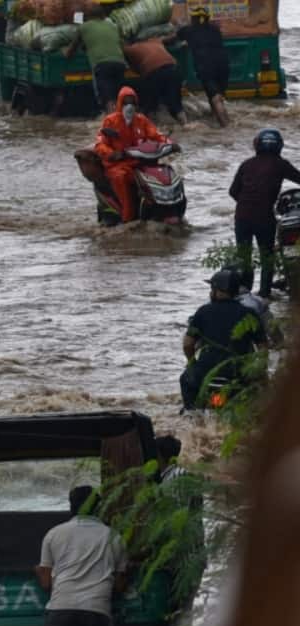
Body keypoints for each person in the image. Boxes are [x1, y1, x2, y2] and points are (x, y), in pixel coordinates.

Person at [35, 485, 127, 626]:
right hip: (97, 610)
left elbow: (46, 584)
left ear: (71, 506)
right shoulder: (114, 537)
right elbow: (119, 586)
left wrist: (39, 571)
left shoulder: (54, 534)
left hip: (61, 608)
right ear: (99, 507)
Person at [180, 269, 268, 410]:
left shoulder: (203, 311)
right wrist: (261, 373)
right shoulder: (249, 314)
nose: (210, 293)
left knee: (185, 379)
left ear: (217, 290)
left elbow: (187, 345)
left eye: (211, 289)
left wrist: (192, 363)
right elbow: (263, 349)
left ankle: (193, 416)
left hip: (206, 374)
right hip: (238, 374)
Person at [229, 129, 300, 298]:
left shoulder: (247, 164)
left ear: (257, 145)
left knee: (243, 255)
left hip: (242, 216)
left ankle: (244, 291)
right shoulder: (280, 164)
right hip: (264, 217)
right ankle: (264, 293)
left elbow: (233, 191)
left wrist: (247, 203)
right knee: (267, 255)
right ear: (279, 146)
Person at [93, 87, 171, 223]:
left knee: (161, 174)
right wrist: (112, 154)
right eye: (125, 102)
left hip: (139, 163)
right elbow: (100, 144)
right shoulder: (110, 121)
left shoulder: (141, 120)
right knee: (120, 178)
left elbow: (156, 135)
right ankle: (127, 218)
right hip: (118, 165)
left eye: (132, 102)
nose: (129, 106)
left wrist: (170, 143)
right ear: (119, 104)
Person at [64, 3, 127, 112]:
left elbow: (71, 51)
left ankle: (112, 122)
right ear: (103, 15)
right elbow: (122, 45)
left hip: (102, 66)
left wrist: (64, 52)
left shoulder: (84, 27)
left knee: (108, 99)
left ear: (87, 16)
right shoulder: (113, 26)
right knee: (118, 97)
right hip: (120, 64)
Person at [174, 6, 230, 127]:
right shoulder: (215, 29)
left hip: (206, 66)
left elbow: (171, 39)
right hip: (224, 65)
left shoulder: (189, 30)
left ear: (195, 18)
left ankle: (226, 127)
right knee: (217, 96)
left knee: (215, 98)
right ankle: (217, 119)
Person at [123, 37, 186, 124]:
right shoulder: (155, 41)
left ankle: (149, 123)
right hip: (173, 67)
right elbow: (170, 38)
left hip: (154, 71)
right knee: (176, 100)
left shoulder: (129, 49)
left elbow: (133, 68)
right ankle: (184, 122)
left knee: (150, 102)